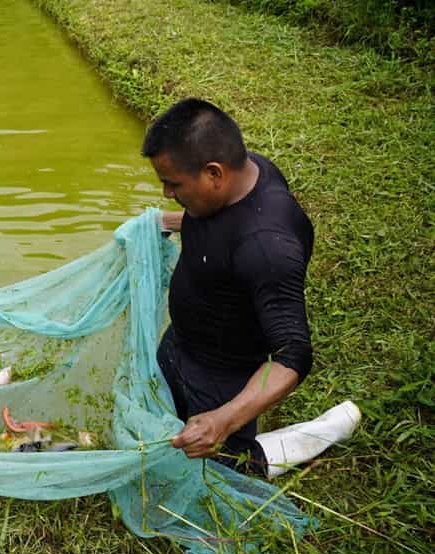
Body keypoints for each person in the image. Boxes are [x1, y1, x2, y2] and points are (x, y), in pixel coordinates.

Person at [142, 98, 360, 478]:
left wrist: (223, 419)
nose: (166, 193)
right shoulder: (240, 173)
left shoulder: (268, 247)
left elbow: (293, 354)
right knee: (156, 434)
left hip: (221, 375)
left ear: (213, 173)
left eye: (173, 184)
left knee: (216, 474)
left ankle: (320, 433)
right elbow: (221, 226)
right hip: (181, 343)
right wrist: (166, 222)